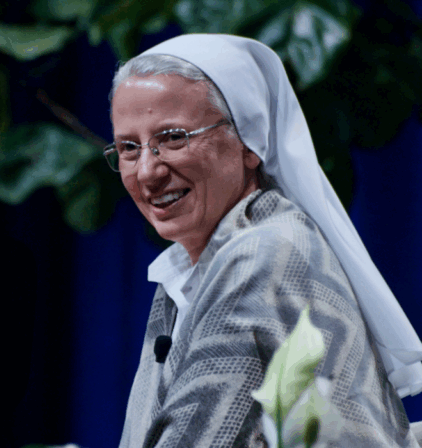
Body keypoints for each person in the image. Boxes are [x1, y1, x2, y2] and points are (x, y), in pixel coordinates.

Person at [104, 34, 422, 448]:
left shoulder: (262, 254)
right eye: (129, 148)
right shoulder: (190, 269)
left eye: (173, 138)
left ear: (249, 142)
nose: (147, 171)